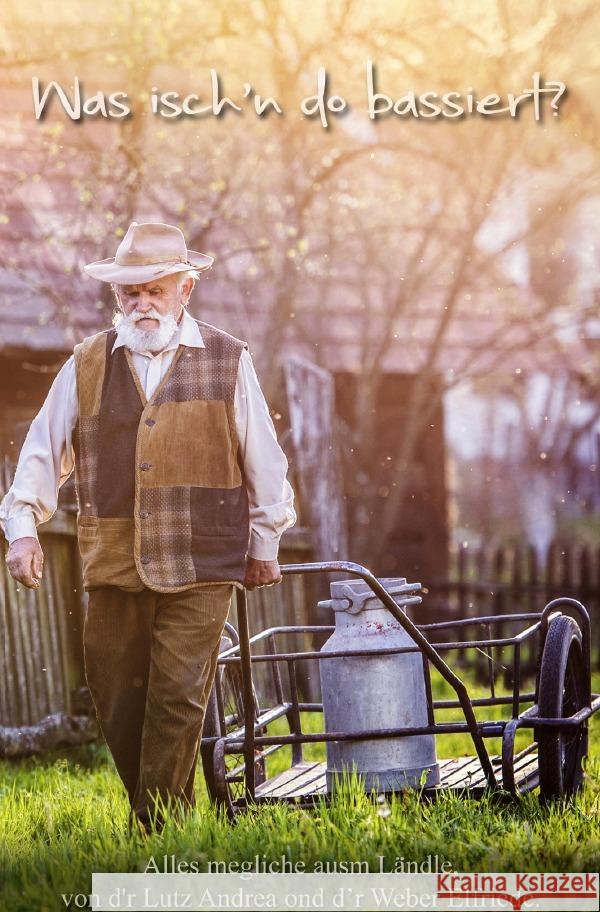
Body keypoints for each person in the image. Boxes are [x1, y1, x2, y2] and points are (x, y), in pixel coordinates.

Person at [0, 221, 297, 832]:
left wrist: (265, 541)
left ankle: (154, 831)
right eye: (129, 293)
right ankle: (162, 812)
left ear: (185, 291)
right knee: (116, 696)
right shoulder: (84, 366)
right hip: (112, 560)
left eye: (154, 290)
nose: (140, 304)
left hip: (202, 564)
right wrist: (24, 526)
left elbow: (264, 462)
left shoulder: (227, 360)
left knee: (177, 696)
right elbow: (41, 451)